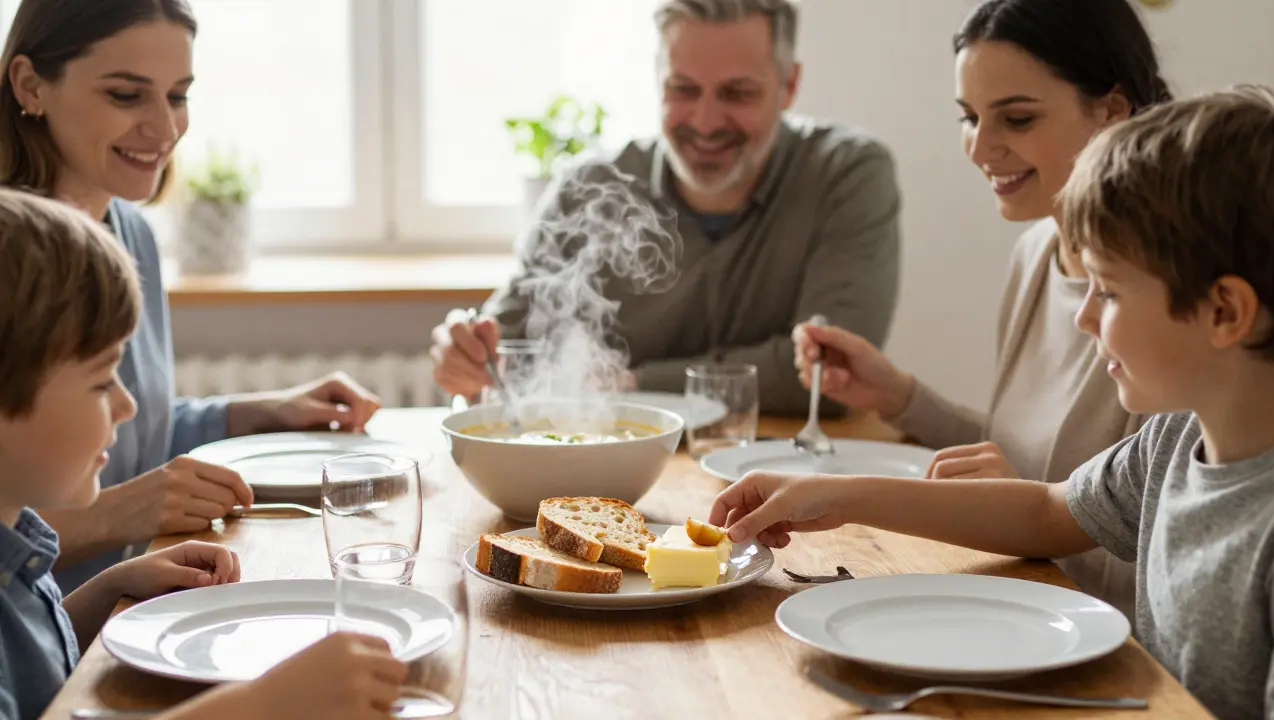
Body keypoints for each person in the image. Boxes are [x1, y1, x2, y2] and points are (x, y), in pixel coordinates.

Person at [716, 86, 1274, 720]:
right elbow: (1044, 510)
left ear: (1225, 311)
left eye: (1111, 293)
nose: (1087, 319)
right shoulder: (1174, 439)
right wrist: (839, 495)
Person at [792, 0, 1172, 617]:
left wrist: (1014, 508)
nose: (979, 147)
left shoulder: (1165, 296)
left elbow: (1150, 554)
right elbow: (1030, 462)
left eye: (1017, 119)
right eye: (969, 117)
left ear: (1112, 109)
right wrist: (900, 398)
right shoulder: (1035, 254)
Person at [0, 0, 382, 593]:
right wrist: (112, 516)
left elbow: (125, 436)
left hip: (120, 610)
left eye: (177, 96)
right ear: (30, 85)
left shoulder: (132, 235)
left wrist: (258, 414)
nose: (165, 127)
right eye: (126, 96)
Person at [0, 188, 410, 720]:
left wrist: (110, 589)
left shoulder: (17, 548)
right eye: (103, 383)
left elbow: (31, 670)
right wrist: (261, 705)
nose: (128, 407)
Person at [430, 0, 902, 415]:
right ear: (656, 81)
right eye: (683, 89)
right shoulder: (589, 188)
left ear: (790, 85)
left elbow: (834, 377)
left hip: (789, 478)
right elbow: (504, 352)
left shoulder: (847, 175)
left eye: (737, 93)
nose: (705, 121)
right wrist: (466, 357)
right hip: (608, 475)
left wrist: (634, 383)